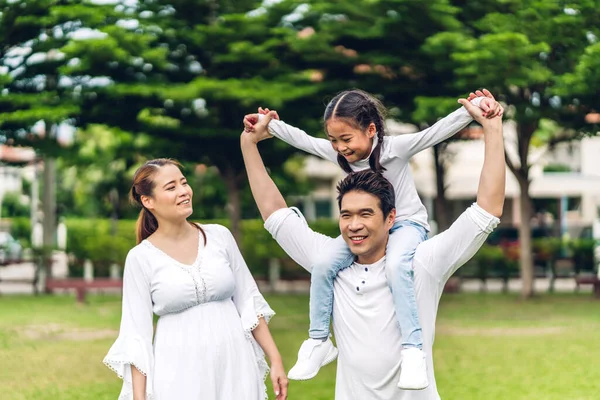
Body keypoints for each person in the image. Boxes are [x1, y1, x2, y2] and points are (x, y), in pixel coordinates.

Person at [240, 91, 505, 399]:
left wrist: (487, 123)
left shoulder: (422, 263)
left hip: (411, 230)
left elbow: (486, 209)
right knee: (325, 263)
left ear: (389, 217)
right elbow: (276, 212)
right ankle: (318, 341)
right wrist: (255, 137)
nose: (354, 225)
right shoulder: (330, 261)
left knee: (395, 266)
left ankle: (413, 351)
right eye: (346, 215)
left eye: (366, 213)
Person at [103, 158, 288, 400]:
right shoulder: (140, 258)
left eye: (184, 183)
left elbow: (249, 302)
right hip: (178, 372)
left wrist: (275, 359)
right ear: (148, 201)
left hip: (235, 365)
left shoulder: (219, 236)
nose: (183, 192)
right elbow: (137, 335)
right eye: (171, 187)